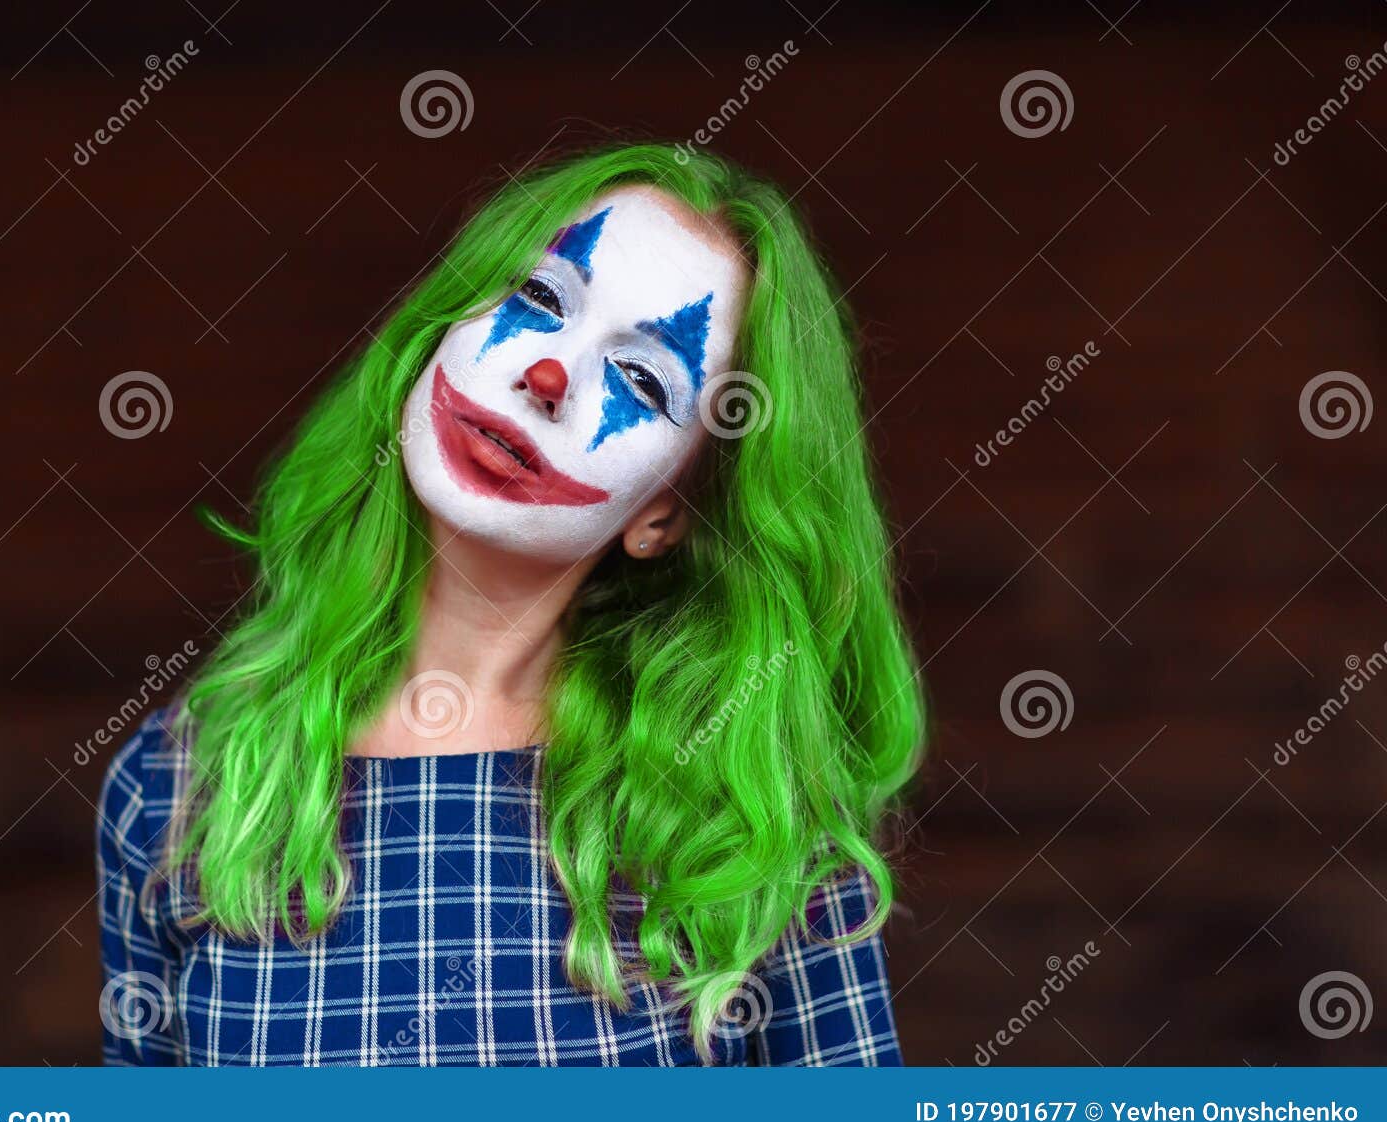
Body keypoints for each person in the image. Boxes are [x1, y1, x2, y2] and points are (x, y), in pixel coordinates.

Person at [97, 142, 926, 1066]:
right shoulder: (177, 784)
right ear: (440, 326)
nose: (549, 374)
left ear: (665, 514)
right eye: (541, 299)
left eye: (643, 379)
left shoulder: (754, 823)